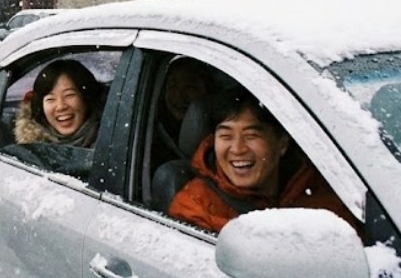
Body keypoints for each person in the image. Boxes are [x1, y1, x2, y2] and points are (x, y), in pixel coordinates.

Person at [167, 86, 359, 234]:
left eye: (251, 136)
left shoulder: (322, 192)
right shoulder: (194, 206)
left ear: (282, 144)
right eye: (226, 136)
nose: (237, 149)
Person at [14, 59, 104, 147]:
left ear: (86, 98)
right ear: (40, 107)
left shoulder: (111, 140)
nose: (60, 107)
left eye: (69, 95)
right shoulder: (30, 151)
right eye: (50, 99)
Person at [151, 57, 212, 163]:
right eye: (172, 85)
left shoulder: (221, 141)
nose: (179, 95)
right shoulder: (151, 137)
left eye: (190, 87)